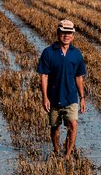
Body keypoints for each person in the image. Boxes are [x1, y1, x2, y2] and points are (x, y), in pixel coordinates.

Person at [37, 19, 87, 157]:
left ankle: (67, 155)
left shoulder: (76, 54)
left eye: (69, 33)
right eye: (63, 32)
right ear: (58, 33)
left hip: (71, 96)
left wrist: (82, 97)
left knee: (73, 125)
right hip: (54, 97)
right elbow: (44, 76)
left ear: (73, 35)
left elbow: (79, 77)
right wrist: (45, 97)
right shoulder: (48, 52)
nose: (66, 35)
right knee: (55, 127)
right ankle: (56, 150)